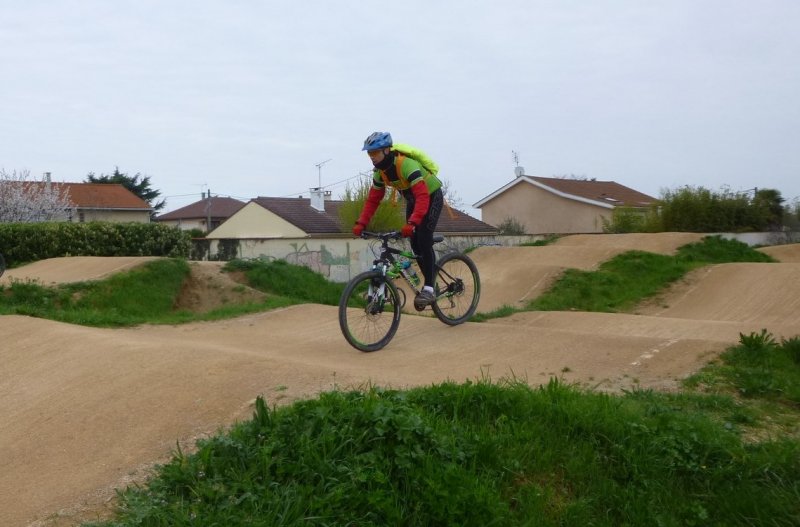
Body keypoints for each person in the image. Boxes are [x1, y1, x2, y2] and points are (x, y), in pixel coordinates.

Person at [353, 131, 444, 310]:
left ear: (387, 150)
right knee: (415, 245)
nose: (371, 157)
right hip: (413, 201)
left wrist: (413, 222)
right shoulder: (380, 172)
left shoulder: (406, 165)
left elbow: (423, 195)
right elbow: (373, 199)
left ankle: (429, 287)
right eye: (369, 154)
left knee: (424, 238)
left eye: (375, 153)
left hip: (431, 196)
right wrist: (361, 222)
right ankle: (431, 284)